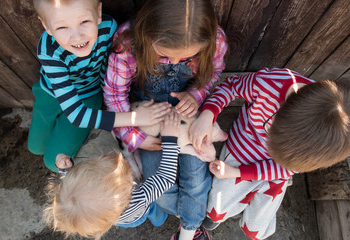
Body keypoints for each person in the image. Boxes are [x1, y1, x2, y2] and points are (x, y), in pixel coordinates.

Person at [103, 0, 228, 239]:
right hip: (148, 114)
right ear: (147, 31)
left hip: (188, 114)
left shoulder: (216, 40)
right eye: (164, 55)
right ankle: (189, 217)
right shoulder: (128, 43)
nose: (172, 63)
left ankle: (189, 228)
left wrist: (196, 94)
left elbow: (214, 73)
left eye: (186, 57)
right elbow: (114, 94)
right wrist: (135, 138)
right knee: (157, 183)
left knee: (196, 175)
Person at [188, 68, 350, 239]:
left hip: (280, 169)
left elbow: (288, 168)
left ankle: (247, 217)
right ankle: (219, 214)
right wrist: (208, 113)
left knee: (256, 227)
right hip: (244, 150)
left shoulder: (322, 146)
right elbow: (230, 86)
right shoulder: (270, 83)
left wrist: (241, 173)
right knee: (219, 204)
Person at [28, 0, 171, 172]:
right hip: (50, 93)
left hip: (88, 97)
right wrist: (135, 118)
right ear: (47, 27)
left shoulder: (109, 28)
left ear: (98, 12)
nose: (77, 36)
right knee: (35, 147)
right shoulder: (48, 49)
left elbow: (110, 71)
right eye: (62, 27)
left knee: (52, 161)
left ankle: (60, 146)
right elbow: (77, 116)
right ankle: (57, 132)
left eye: (84, 22)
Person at [43, 111, 181, 240]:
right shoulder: (141, 197)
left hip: (120, 221)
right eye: (125, 175)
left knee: (130, 221)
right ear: (125, 193)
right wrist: (170, 139)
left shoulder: (99, 212)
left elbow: (73, 189)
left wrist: (65, 169)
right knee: (155, 209)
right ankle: (160, 220)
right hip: (141, 212)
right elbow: (166, 178)